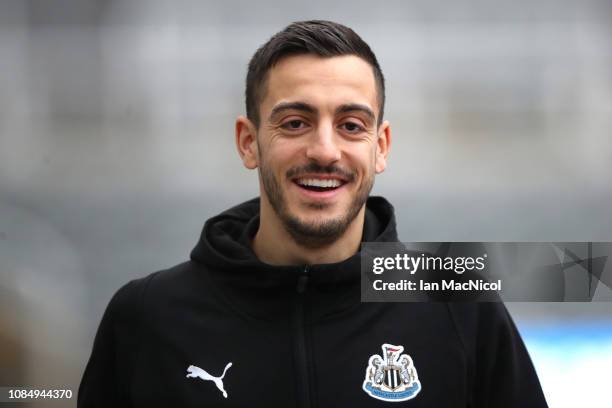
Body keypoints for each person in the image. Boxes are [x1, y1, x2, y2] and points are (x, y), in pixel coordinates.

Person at [78, 20, 548, 407]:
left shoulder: (461, 309)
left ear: (380, 147)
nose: (325, 150)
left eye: (350, 125)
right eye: (295, 123)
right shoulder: (146, 318)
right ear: (248, 142)